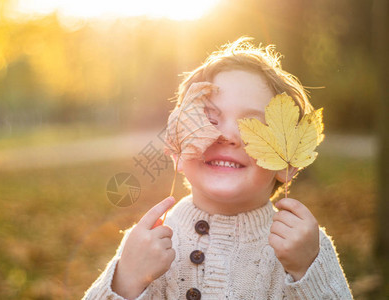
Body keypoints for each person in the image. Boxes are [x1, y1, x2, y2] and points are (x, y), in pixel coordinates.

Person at [82, 37, 353, 299]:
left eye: (253, 127)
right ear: (177, 147)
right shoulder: (148, 242)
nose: (227, 135)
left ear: (287, 164)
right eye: (209, 119)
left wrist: (307, 273)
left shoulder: (306, 248)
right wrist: (127, 281)